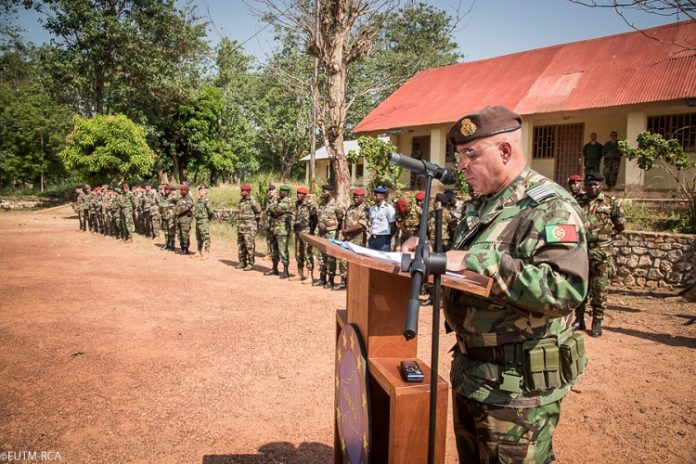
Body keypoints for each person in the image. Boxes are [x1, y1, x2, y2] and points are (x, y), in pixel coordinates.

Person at [403, 105, 588, 464]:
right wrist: (434, 256)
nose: (463, 166)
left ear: (505, 151)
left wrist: (473, 259)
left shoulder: (550, 207)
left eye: (471, 154)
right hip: (473, 374)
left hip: (517, 389)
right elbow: (467, 266)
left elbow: (564, 290)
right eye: (459, 156)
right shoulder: (485, 205)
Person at [574, 172, 625, 337]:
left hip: (601, 252)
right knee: (579, 285)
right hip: (580, 251)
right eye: (589, 185)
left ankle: (597, 322)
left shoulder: (611, 203)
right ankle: (579, 319)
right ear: (585, 186)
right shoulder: (577, 201)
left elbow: (620, 225)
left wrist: (604, 238)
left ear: (601, 186)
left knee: (599, 287)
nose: (592, 187)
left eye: (596, 185)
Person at [336, 188, 369, 290]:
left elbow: (361, 225)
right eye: (355, 196)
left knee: (356, 261)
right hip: (347, 238)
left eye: (358, 197)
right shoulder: (351, 207)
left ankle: (355, 283)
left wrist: (348, 231)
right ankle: (343, 281)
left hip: (357, 239)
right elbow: (344, 219)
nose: (356, 198)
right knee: (343, 259)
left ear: (363, 198)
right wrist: (343, 230)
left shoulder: (365, 209)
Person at [315, 184, 344, 288]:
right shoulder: (322, 204)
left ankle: (330, 280)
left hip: (331, 233)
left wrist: (336, 229)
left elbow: (341, 218)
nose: (322, 193)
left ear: (330, 192)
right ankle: (322, 278)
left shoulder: (337, 205)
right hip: (321, 233)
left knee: (331, 257)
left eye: (324, 191)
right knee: (321, 255)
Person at [266, 185, 293, 278]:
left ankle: (286, 270)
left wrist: (273, 208)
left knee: (283, 250)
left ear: (287, 193)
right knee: (274, 249)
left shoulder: (288, 201)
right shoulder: (277, 200)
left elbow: (276, 209)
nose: (282, 193)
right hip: (274, 228)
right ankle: (274, 268)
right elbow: (269, 209)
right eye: (281, 191)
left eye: (284, 191)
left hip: (283, 229)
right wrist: (272, 207)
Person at [292, 186, 318, 282]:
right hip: (298, 231)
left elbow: (315, 219)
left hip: (307, 231)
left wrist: (311, 231)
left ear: (305, 195)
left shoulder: (310, 205)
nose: (299, 195)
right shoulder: (296, 204)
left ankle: (310, 276)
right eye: (298, 193)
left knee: (308, 253)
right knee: (298, 253)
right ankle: (300, 273)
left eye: (302, 194)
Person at [237, 184, 262, 271]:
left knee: (249, 246)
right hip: (241, 226)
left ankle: (250, 263)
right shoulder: (241, 201)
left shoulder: (253, 200)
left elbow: (258, 211)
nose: (241, 192)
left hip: (249, 227)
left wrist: (254, 224)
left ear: (247, 192)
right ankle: (242, 262)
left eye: (242, 191)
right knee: (241, 245)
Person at [367, 186, 396, 251]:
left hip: (383, 237)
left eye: (376, 195)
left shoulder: (388, 209)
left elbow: (393, 226)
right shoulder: (372, 208)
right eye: (374, 195)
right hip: (373, 237)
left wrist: (388, 237)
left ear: (382, 197)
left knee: (382, 259)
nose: (374, 197)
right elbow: (372, 222)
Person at [193, 185, 214, 260]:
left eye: (202, 190)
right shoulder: (198, 201)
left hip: (204, 220)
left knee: (206, 236)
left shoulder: (206, 200)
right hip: (198, 220)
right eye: (199, 190)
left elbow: (211, 211)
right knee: (198, 237)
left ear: (206, 192)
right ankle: (199, 251)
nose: (200, 191)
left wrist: (208, 219)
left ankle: (207, 253)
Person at [175, 184, 195, 255]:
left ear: (186, 190)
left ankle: (186, 248)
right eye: (180, 190)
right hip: (179, 219)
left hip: (186, 220)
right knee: (179, 234)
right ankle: (182, 247)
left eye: (182, 190)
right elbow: (176, 207)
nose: (181, 191)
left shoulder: (189, 199)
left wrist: (178, 213)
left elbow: (187, 208)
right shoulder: (180, 199)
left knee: (184, 234)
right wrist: (176, 212)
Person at [160, 184, 178, 251]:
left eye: (168, 189)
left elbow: (178, 204)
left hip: (171, 216)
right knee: (165, 231)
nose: (166, 190)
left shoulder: (173, 197)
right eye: (166, 189)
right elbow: (160, 204)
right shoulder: (163, 197)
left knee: (171, 231)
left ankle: (172, 245)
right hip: (164, 216)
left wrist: (175, 212)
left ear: (170, 190)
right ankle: (167, 244)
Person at [263, 184, 278, 262]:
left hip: (275, 223)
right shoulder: (268, 200)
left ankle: (274, 254)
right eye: (269, 190)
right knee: (268, 239)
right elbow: (266, 211)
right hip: (268, 222)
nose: (271, 191)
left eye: (272, 190)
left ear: (275, 190)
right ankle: (269, 254)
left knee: (275, 239)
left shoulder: (277, 199)